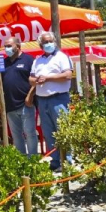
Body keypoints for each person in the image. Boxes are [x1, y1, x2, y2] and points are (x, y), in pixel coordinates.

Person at [28, 31, 74, 170]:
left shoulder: (62, 57)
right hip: (42, 100)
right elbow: (30, 79)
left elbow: (68, 75)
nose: (48, 44)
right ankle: (55, 161)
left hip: (58, 98)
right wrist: (37, 80)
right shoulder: (37, 60)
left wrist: (47, 78)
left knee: (62, 131)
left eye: (50, 41)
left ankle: (66, 162)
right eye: (45, 42)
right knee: (48, 133)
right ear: (41, 45)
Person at [0, 39, 38, 155]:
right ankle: (21, 160)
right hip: (10, 105)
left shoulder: (29, 60)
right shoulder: (4, 62)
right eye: (5, 46)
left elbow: (36, 81)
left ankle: (33, 159)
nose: (7, 49)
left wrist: (30, 96)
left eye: (9, 46)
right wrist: (0, 102)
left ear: (18, 46)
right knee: (16, 135)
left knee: (29, 133)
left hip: (26, 104)